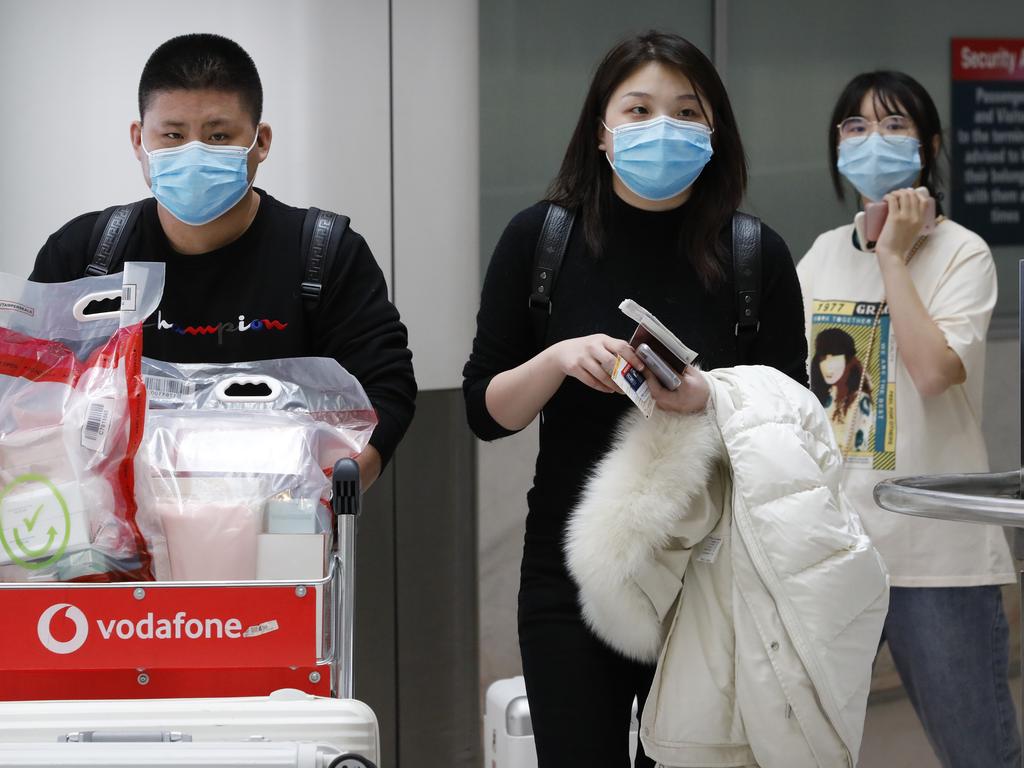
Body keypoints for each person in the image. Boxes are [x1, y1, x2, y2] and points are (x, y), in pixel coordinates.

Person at [463, 31, 807, 767]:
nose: (664, 129)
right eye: (641, 108)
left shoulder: (755, 255)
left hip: (708, 573)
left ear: (715, 132)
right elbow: (485, 411)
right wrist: (556, 359)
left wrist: (710, 396)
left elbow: (797, 419)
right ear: (601, 129)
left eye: (687, 112)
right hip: (571, 572)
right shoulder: (541, 240)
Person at [29, 33, 416, 488]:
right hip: (114, 535)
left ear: (260, 141)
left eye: (218, 136)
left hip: (274, 532)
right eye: (172, 135)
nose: (194, 152)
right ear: (139, 140)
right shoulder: (85, 255)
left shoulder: (324, 254)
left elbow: (386, 390)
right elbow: (29, 392)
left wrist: (327, 499)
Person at [797, 70, 1020, 768]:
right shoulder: (823, 254)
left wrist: (894, 254)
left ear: (929, 146)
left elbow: (930, 371)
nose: (873, 141)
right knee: (805, 747)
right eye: (856, 127)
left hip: (937, 553)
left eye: (894, 126)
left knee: (978, 751)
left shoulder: (963, 253)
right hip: (834, 549)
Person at [809, 327, 874, 454]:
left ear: (847, 360)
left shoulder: (859, 400)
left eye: (834, 357)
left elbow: (862, 443)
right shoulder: (822, 396)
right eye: (823, 358)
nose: (827, 365)